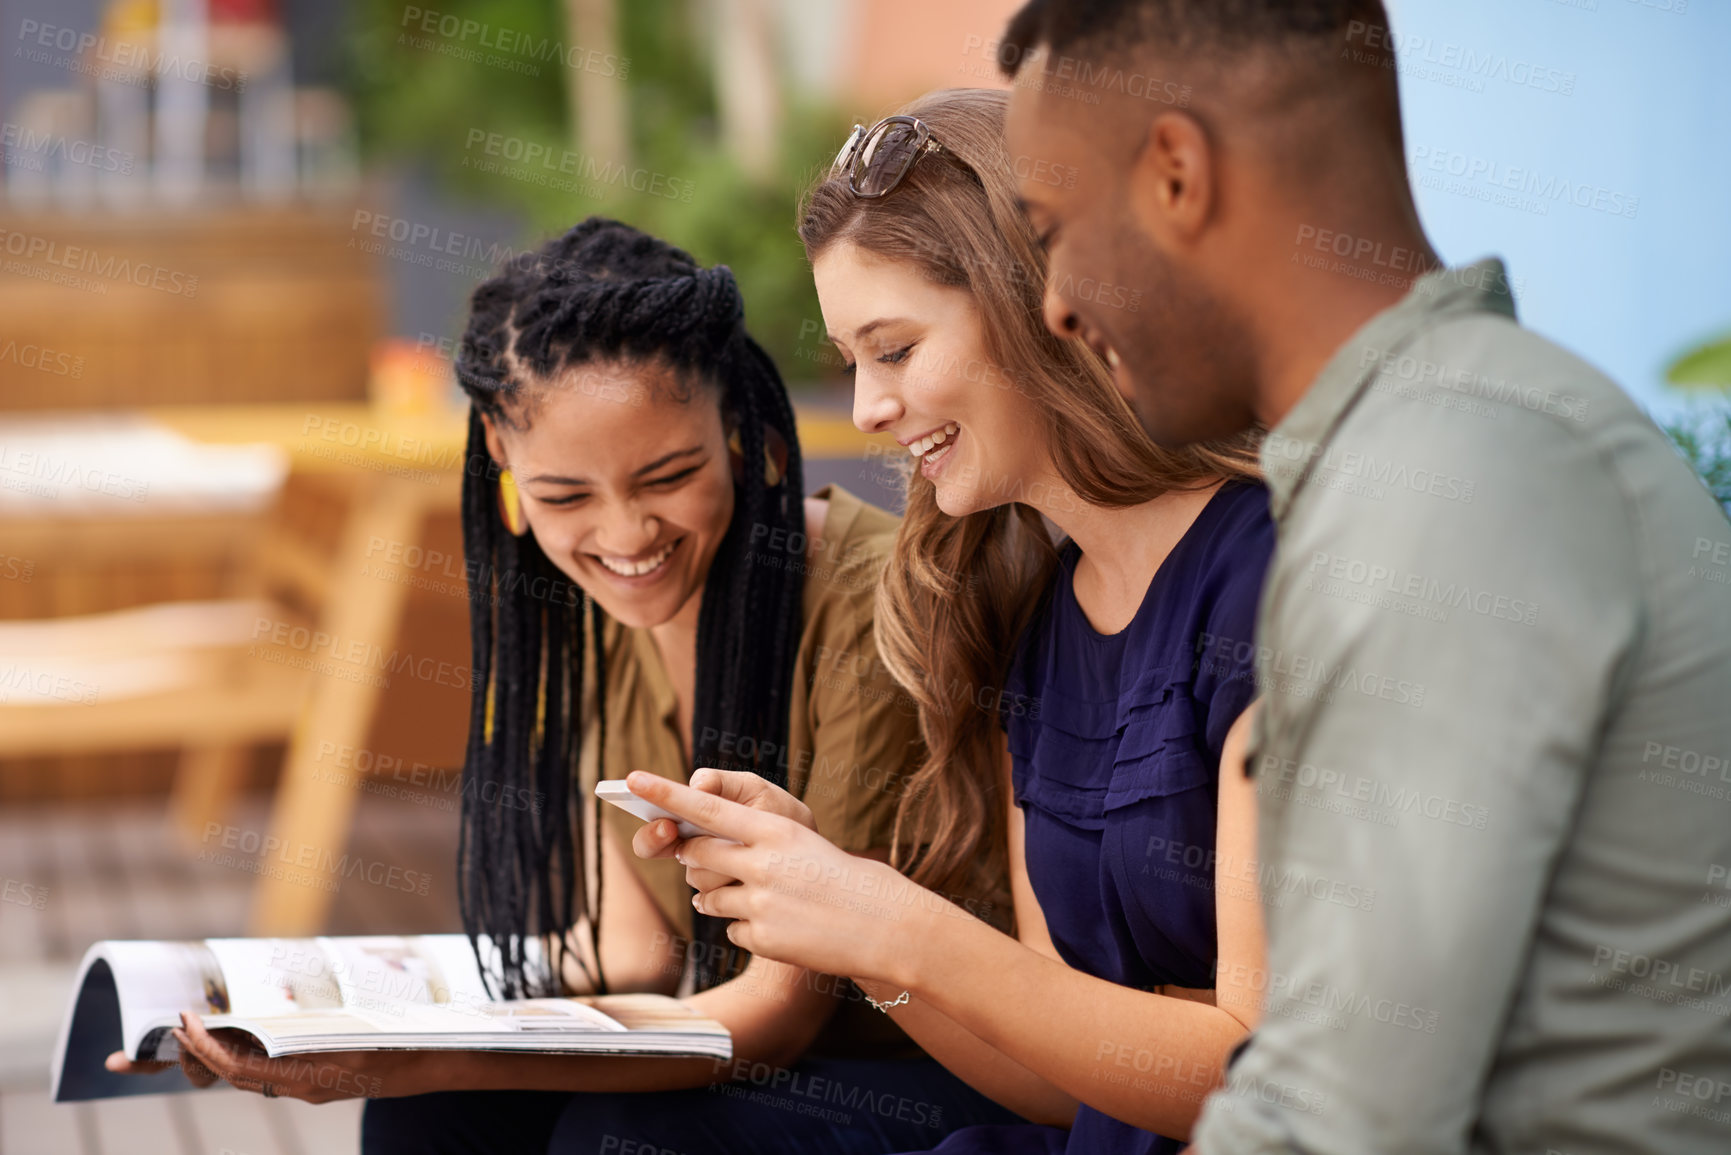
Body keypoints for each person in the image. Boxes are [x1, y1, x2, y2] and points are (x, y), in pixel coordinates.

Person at [107, 219, 1022, 1155]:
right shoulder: (605, 616)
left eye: (668, 476)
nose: (625, 536)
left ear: (738, 432)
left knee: (615, 1133)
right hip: (765, 1046)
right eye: (566, 496)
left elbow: (780, 1013)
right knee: (430, 1111)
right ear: (501, 459)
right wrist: (298, 1015)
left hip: (934, 1072)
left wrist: (428, 1056)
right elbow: (628, 952)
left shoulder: (872, 608)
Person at [995, 2, 1731, 1152]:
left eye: (1051, 229)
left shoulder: (1444, 479)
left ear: (1178, 175)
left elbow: (1338, 1122)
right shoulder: (1452, 441)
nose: (1054, 303)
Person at [629, 88, 1277, 1153]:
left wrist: (900, 925)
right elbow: (1064, 1087)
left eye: (893, 350)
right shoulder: (1044, 627)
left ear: (1035, 303)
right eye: (852, 364)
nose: (871, 408)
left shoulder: (1266, 580)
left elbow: (1262, 1072)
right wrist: (852, 928)